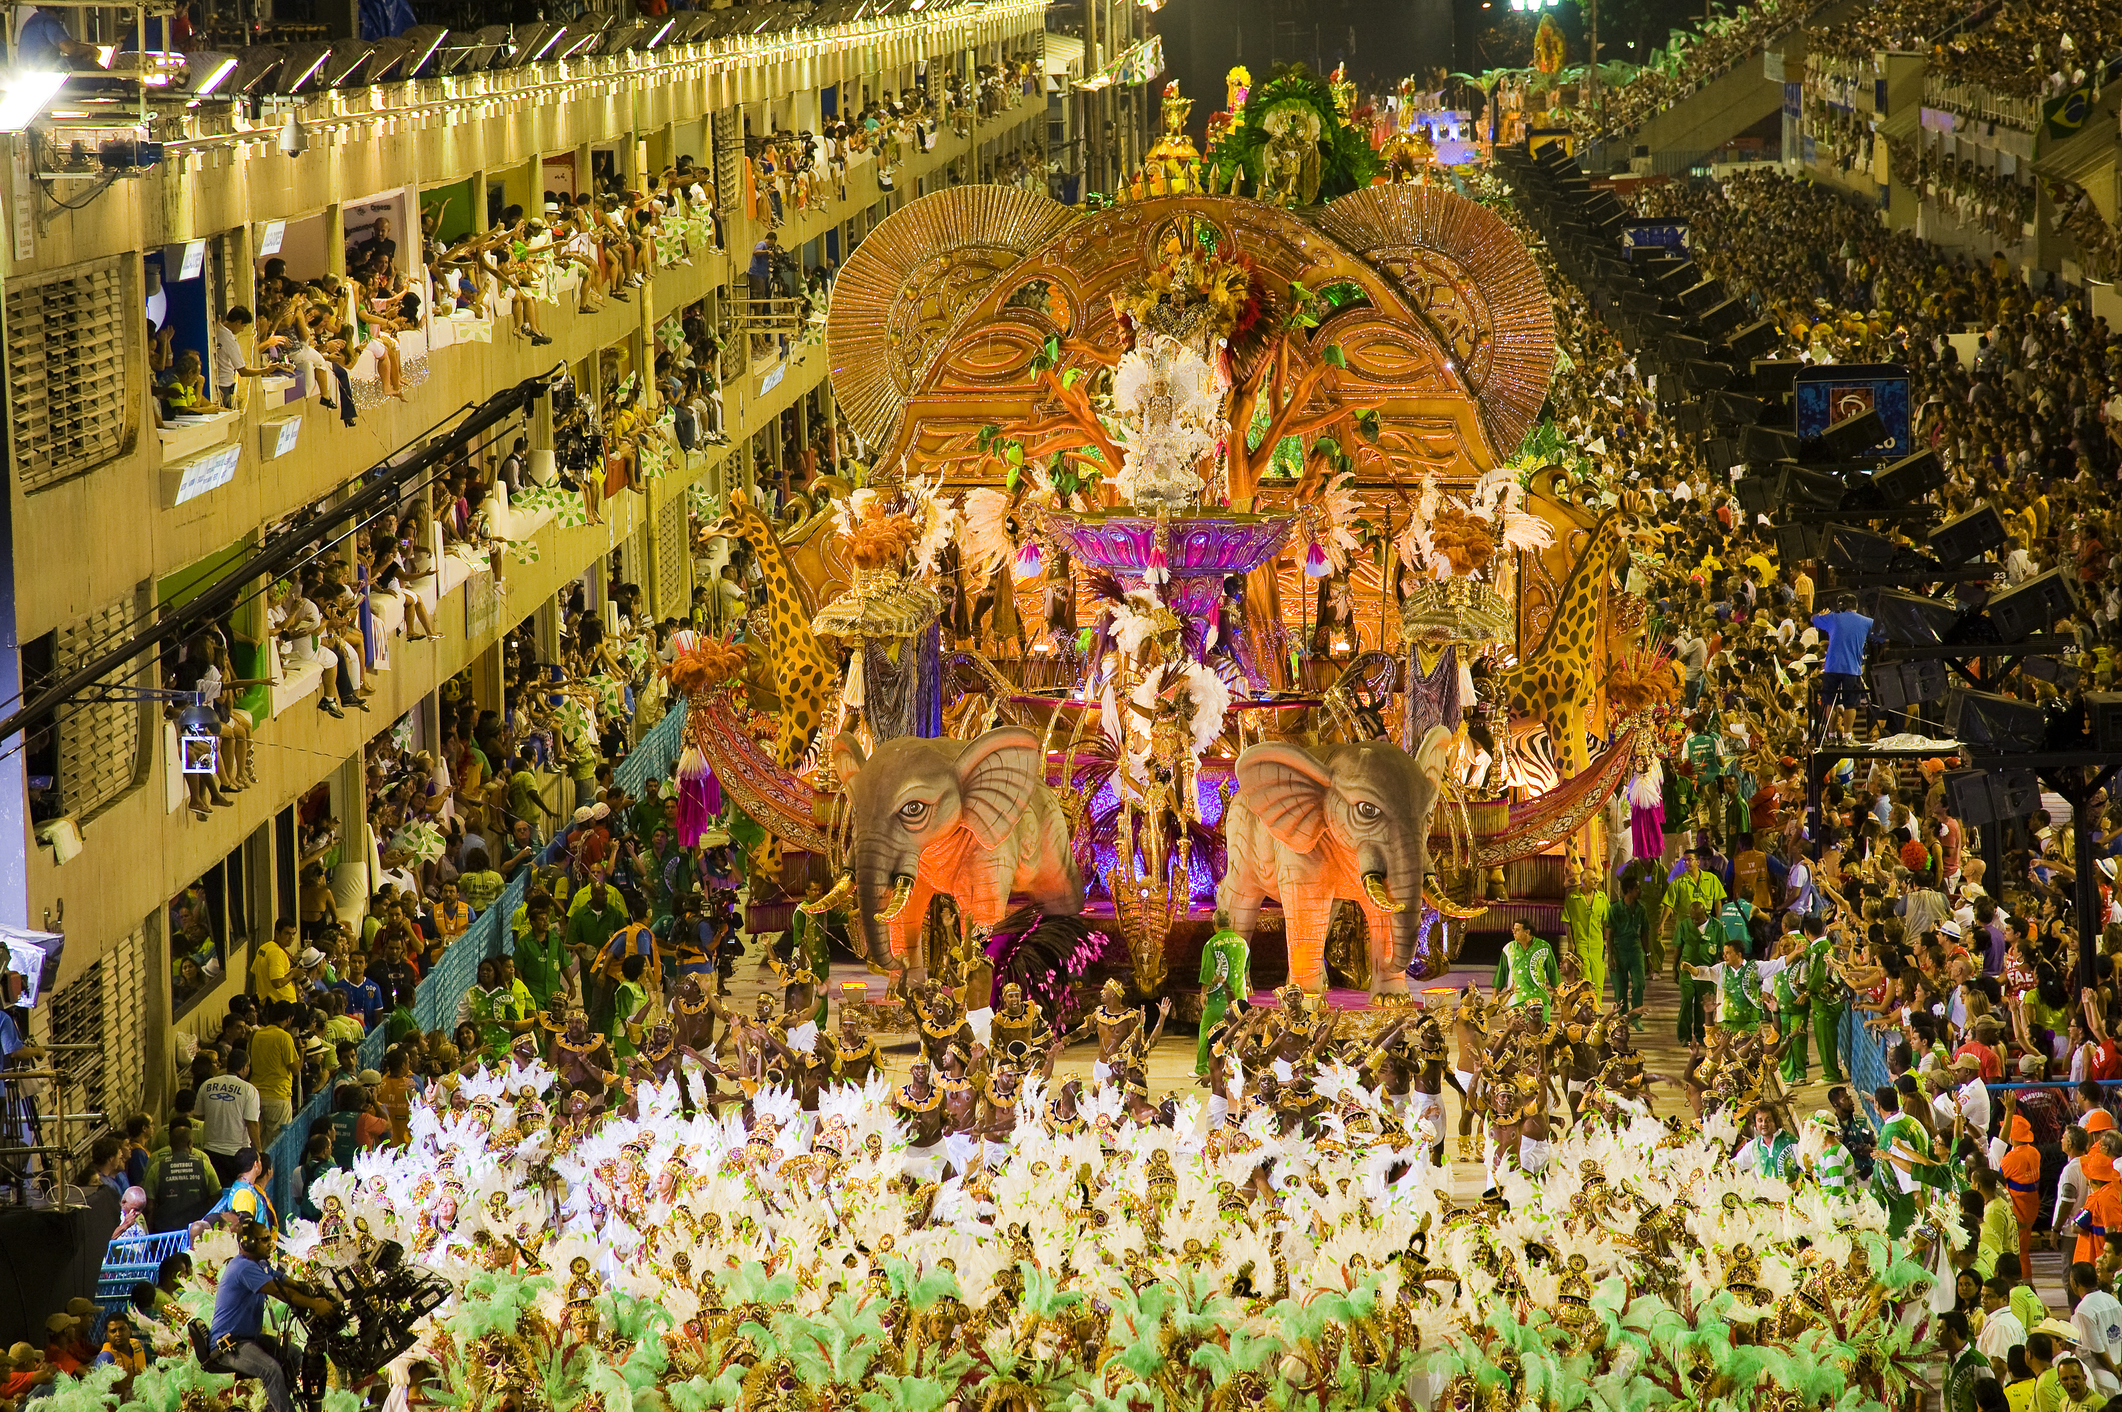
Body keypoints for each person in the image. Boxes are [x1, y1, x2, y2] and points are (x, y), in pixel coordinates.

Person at [207, 1219, 341, 1412]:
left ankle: (273, 1409)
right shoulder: (244, 1268)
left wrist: (309, 1288)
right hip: (230, 1345)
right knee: (270, 1369)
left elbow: (285, 1282)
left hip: (248, 1339)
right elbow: (280, 1292)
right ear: (248, 1243)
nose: (271, 1243)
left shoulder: (259, 1264)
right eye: (265, 1240)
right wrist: (315, 1305)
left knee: (294, 1355)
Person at [145, 1115, 222, 1232]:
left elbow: (149, 1206)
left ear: (170, 1143)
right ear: (190, 1143)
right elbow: (216, 1198)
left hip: (166, 1233)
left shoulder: (157, 1167)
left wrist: (149, 1236)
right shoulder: (204, 1165)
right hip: (198, 1231)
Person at [1195, 910, 1249, 1075]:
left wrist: (1203, 993)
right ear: (1230, 923)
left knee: (1206, 1029)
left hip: (1217, 997)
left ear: (1214, 924)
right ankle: (1239, 1065)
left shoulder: (1211, 944)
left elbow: (1207, 971)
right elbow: (1246, 969)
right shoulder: (1243, 943)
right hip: (1239, 999)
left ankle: (1203, 1067)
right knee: (1238, 1031)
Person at [197, 1048, 261, 1184]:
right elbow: (252, 1123)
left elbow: (198, 1116)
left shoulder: (207, 1085)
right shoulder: (248, 1090)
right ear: (245, 1067)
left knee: (215, 1191)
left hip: (210, 1150)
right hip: (237, 1153)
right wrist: (259, 1151)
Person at [2068, 1262, 2122, 1398]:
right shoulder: (2112, 1300)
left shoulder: (2084, 1309)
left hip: (2103, 1378)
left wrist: (2116, 1372)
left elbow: (2097, 1349)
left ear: (2074, 1283)